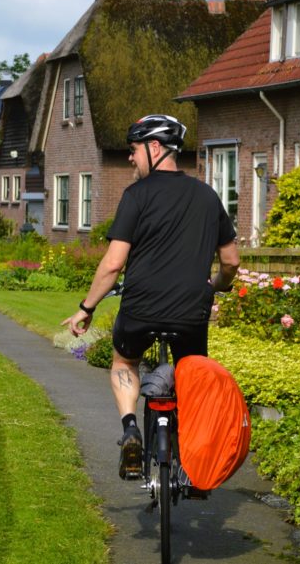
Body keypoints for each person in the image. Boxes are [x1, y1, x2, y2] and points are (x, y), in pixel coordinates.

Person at [61, 114, 239, 480]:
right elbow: (231, 261)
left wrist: (86, 308)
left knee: (124, 363)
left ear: (154, 148)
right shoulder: (208, 196)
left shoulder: (136, 196)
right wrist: (218, 284)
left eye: (134, 150)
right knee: (191, 377)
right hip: (191, 311)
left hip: (140, 309)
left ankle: (130, 430)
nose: (130, 158)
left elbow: (113, 265)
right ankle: (191, 461)